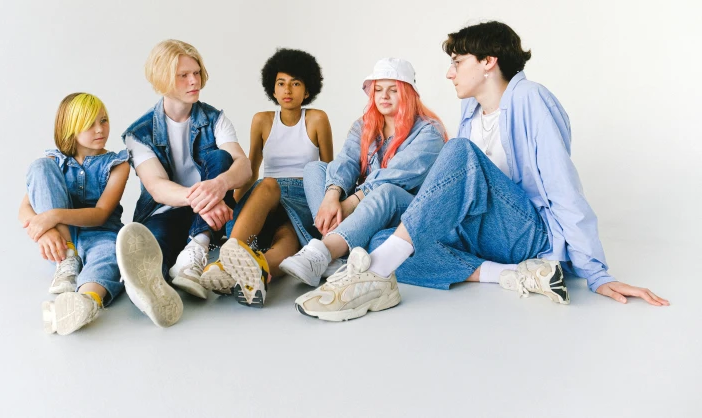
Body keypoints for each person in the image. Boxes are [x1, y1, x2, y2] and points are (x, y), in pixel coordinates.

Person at [295, 21, 669, 322]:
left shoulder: (530, 98)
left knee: (457, 152)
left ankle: (372, 277)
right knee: (377, 240)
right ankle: (510, 275)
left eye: (458, 61)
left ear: (488, 61)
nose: (449, 72)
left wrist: (597, 273)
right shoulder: (472, 112)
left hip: (528, 232)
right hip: (485, 236)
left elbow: (564, 189)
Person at [115, 39, 251, 328]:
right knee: (154, 245)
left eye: (196, 72)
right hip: (177, 210)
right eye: (183, 75)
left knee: (220, 158)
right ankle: (155, 288)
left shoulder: (215, 118)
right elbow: (157, 186)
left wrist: (219, 185)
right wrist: (206, 199)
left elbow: (244, 167)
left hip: (213, 210)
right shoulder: (138, 134)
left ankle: (194, 252)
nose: (194, 81)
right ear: (163, 79)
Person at [281, 58, 448, 288]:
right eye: (378, 90)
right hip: (364, 208)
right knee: (315, 169)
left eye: (393, 90)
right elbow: (346, 160)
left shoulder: (429, 131)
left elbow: (395, 176)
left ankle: (322, 251)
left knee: (386, 191)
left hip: (403, 208)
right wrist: (332, 195)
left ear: (408, 93)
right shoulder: (365, 124)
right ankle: (331, 253)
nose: (384, 96)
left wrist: (350, 202)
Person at [202, 48, 334, 307]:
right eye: (281, 83)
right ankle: (226, 261)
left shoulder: (317, 118)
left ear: (307, 90)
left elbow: (329, 169)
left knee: (289, 238)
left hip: (304, 195)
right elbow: (251, 171)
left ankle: (260, 271)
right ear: (272, 89)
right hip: (266, 194)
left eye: (296, 84)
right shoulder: (262, 120)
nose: (288, 90)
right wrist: (233, 208)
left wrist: (331, 208)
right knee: (269, 184)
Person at [19, 93, 129, 335]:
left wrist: (53, 215)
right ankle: (68, 260)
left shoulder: (118, 164)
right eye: (90, 124)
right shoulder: (54, 162)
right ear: (70, 129)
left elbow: (101, 214)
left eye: (104, 120)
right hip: (62, 240)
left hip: (101, 233)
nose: (100, 129)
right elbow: (24, 209)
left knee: (109, 257)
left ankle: (85, 302)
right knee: (40, 166)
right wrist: (46, 231)